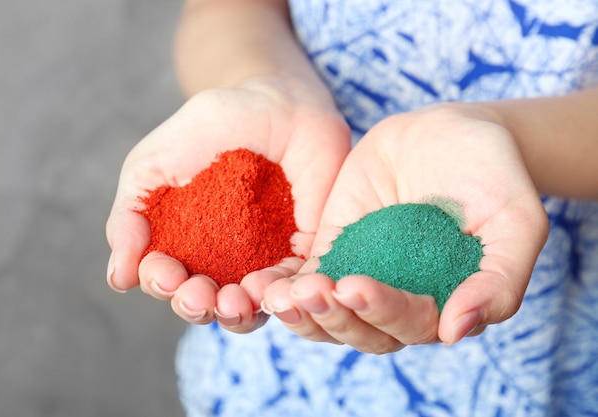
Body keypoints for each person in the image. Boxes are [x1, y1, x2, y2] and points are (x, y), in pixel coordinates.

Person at [105, 0, 598, 415]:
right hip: (282, 339)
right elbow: (227, 9)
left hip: (538, 321)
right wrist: (265, 84)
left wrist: (507, 135)